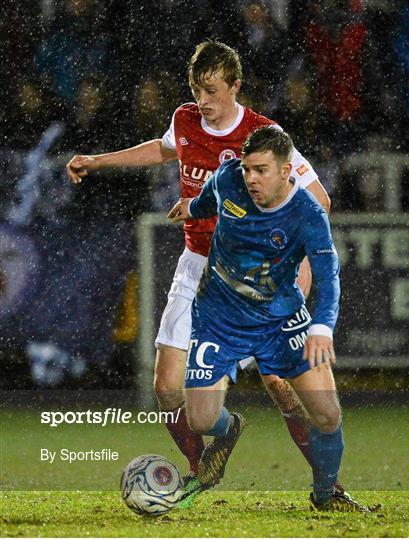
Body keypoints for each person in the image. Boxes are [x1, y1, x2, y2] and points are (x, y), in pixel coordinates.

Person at [66, 40, 337, 495]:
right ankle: (199, 467)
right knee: (168, 387)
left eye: (212, 91)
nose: (203, 101)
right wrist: (99, 161)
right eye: (196, 90)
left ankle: (329, 487)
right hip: (197, 265)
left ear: (235, 86)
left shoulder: (264, 136)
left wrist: (299, 272)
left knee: (283, 387)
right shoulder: (185, 118)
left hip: (255, 277)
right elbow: (162, 149)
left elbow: (320, 203)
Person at [169, 126, 369, 512]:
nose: (251, 178)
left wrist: (322, 326)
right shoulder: (229, 179)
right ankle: (230, 430)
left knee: (326, 414)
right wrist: (190, 207)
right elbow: (208, 200)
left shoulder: (308, 215)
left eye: (261, 170)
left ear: (285, 170)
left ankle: (326, 495)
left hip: (280, 321)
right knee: (201, 419)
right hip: (219, 316)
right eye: (247, 169)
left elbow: (329, 279)